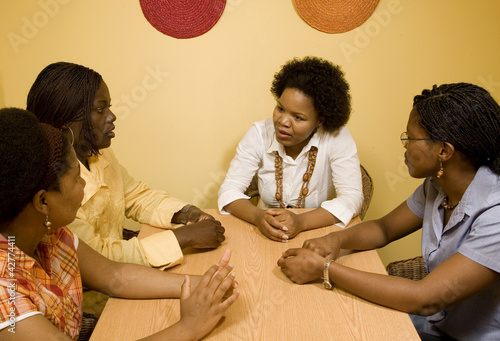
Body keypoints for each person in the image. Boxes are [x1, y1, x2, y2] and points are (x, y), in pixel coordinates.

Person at [277, 83, 500, 340]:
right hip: (437, 325)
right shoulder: (436, 186)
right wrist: (334, 240)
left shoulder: (495, 214)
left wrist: (324, 269)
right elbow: (384, 228)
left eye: (410, 138)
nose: (404, 147)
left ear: (444, 151)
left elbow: (425, 299)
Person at [0, 108, 239, 340]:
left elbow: (115, 276)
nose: (85, 183)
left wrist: (204, 285)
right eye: (77, 178)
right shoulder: (4, 291)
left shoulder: (49, 233)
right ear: (43, 201)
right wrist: (188, 328)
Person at [27, 62, 226, 314]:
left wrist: (186, 213)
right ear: (68, 125)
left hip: (122, 279)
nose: (112, 116)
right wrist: (185, 237)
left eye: (109, 106)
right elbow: (102, 261)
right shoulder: (56, 194)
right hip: (90, 301)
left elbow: (134, 195)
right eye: (101, 109)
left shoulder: (97, 152)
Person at [218, 56, 363, 242]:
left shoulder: (337, 136)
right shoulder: (259, 133)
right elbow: (229, 190)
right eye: (280, 108)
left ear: (320, 120)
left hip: (317, 236)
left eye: (298, 117)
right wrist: (258, 217)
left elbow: (352, 198)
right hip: (263, 234)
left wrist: (301, 222)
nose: (283, 122)